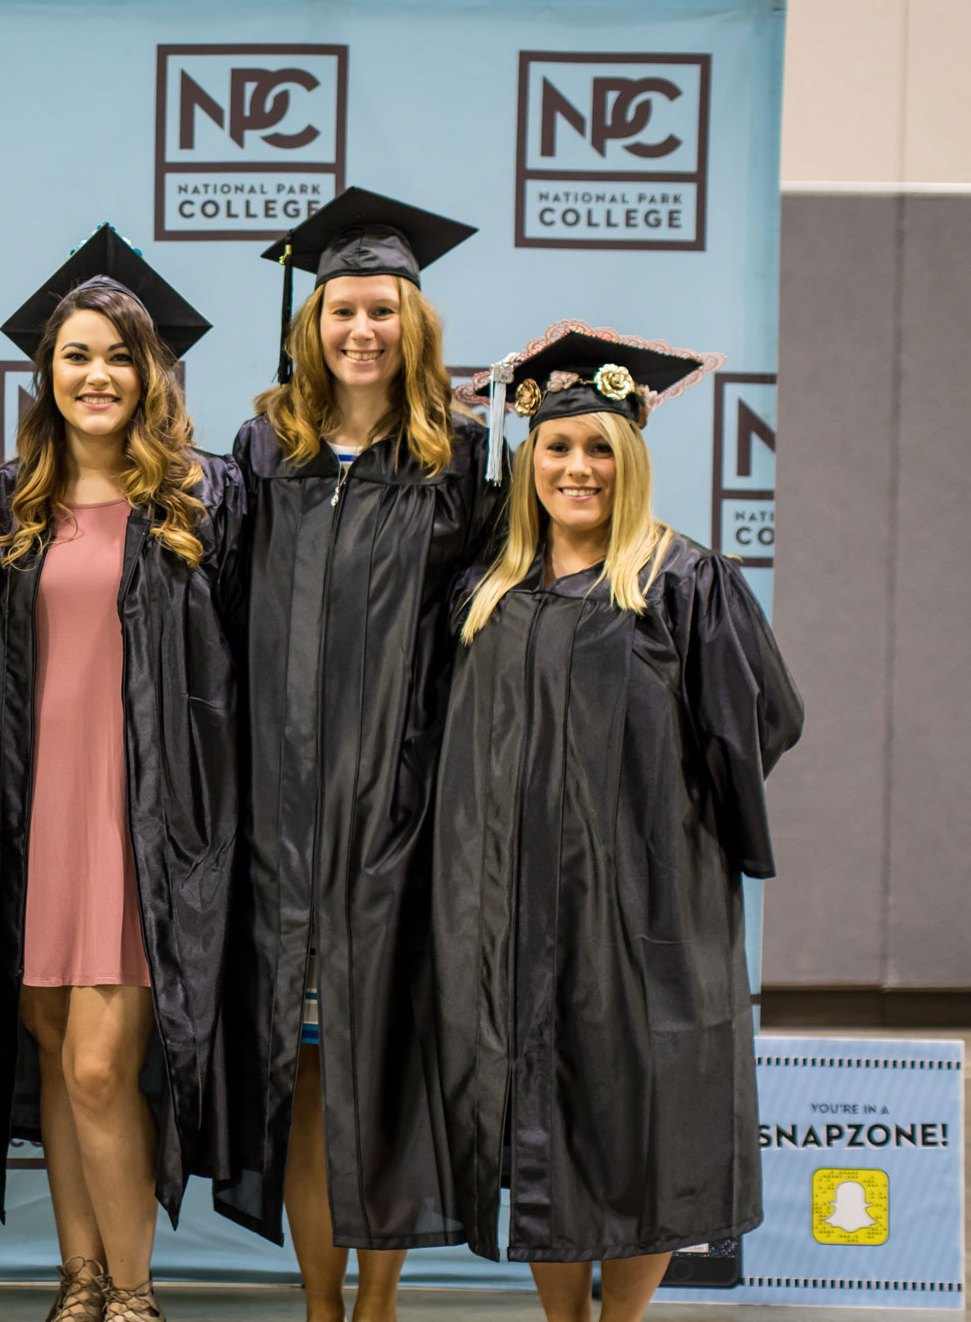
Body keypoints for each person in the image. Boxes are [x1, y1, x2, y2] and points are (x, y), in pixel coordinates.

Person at [429, 324, 804, 1322]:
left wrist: (666, 830)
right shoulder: (487, 593)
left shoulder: (684, 584)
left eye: (599, 448)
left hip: (643, 910)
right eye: (556, 448)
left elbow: (762, 723)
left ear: (630, 458)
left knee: (641, 1128)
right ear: (529, 460)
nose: (577, 467)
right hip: (510, 913)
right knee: (542, 1121)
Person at [215, 188, 500, 1319]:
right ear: (311, 322)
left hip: (402, 805)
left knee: (390, 1059)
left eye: (383, 310)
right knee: (305, 1071)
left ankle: (378, 1303)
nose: (361, 332)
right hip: (277, 810)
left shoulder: (463, 458)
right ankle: (320, 1303)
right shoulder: (261, 446)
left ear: (415, 323)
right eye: (341, 310)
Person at [0, 226, 243, 1322]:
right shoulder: (7, 506)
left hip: (143, 824)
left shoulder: (205, 504)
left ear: (152, 372)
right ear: (47, 372)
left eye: (119, 356)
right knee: (50, 1056)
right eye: (76, 355)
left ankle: (133, 1294)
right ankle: (77, 1280)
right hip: (34, 813)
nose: (97, 376)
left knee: (98, 1070)